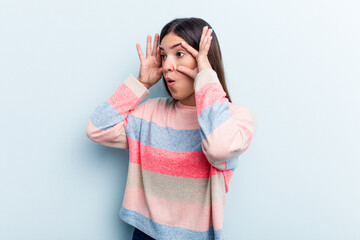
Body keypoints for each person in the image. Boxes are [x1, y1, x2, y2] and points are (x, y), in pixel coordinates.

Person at [86, 17, 257, 240]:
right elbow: (97, 129)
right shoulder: (150, 112)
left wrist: (205, 76)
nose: (167, 66)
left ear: (203, 59)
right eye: (164, 55)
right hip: (144, 234)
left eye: (179, 54)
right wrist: (141, 82)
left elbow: (218, 149)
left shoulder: (236, 118)